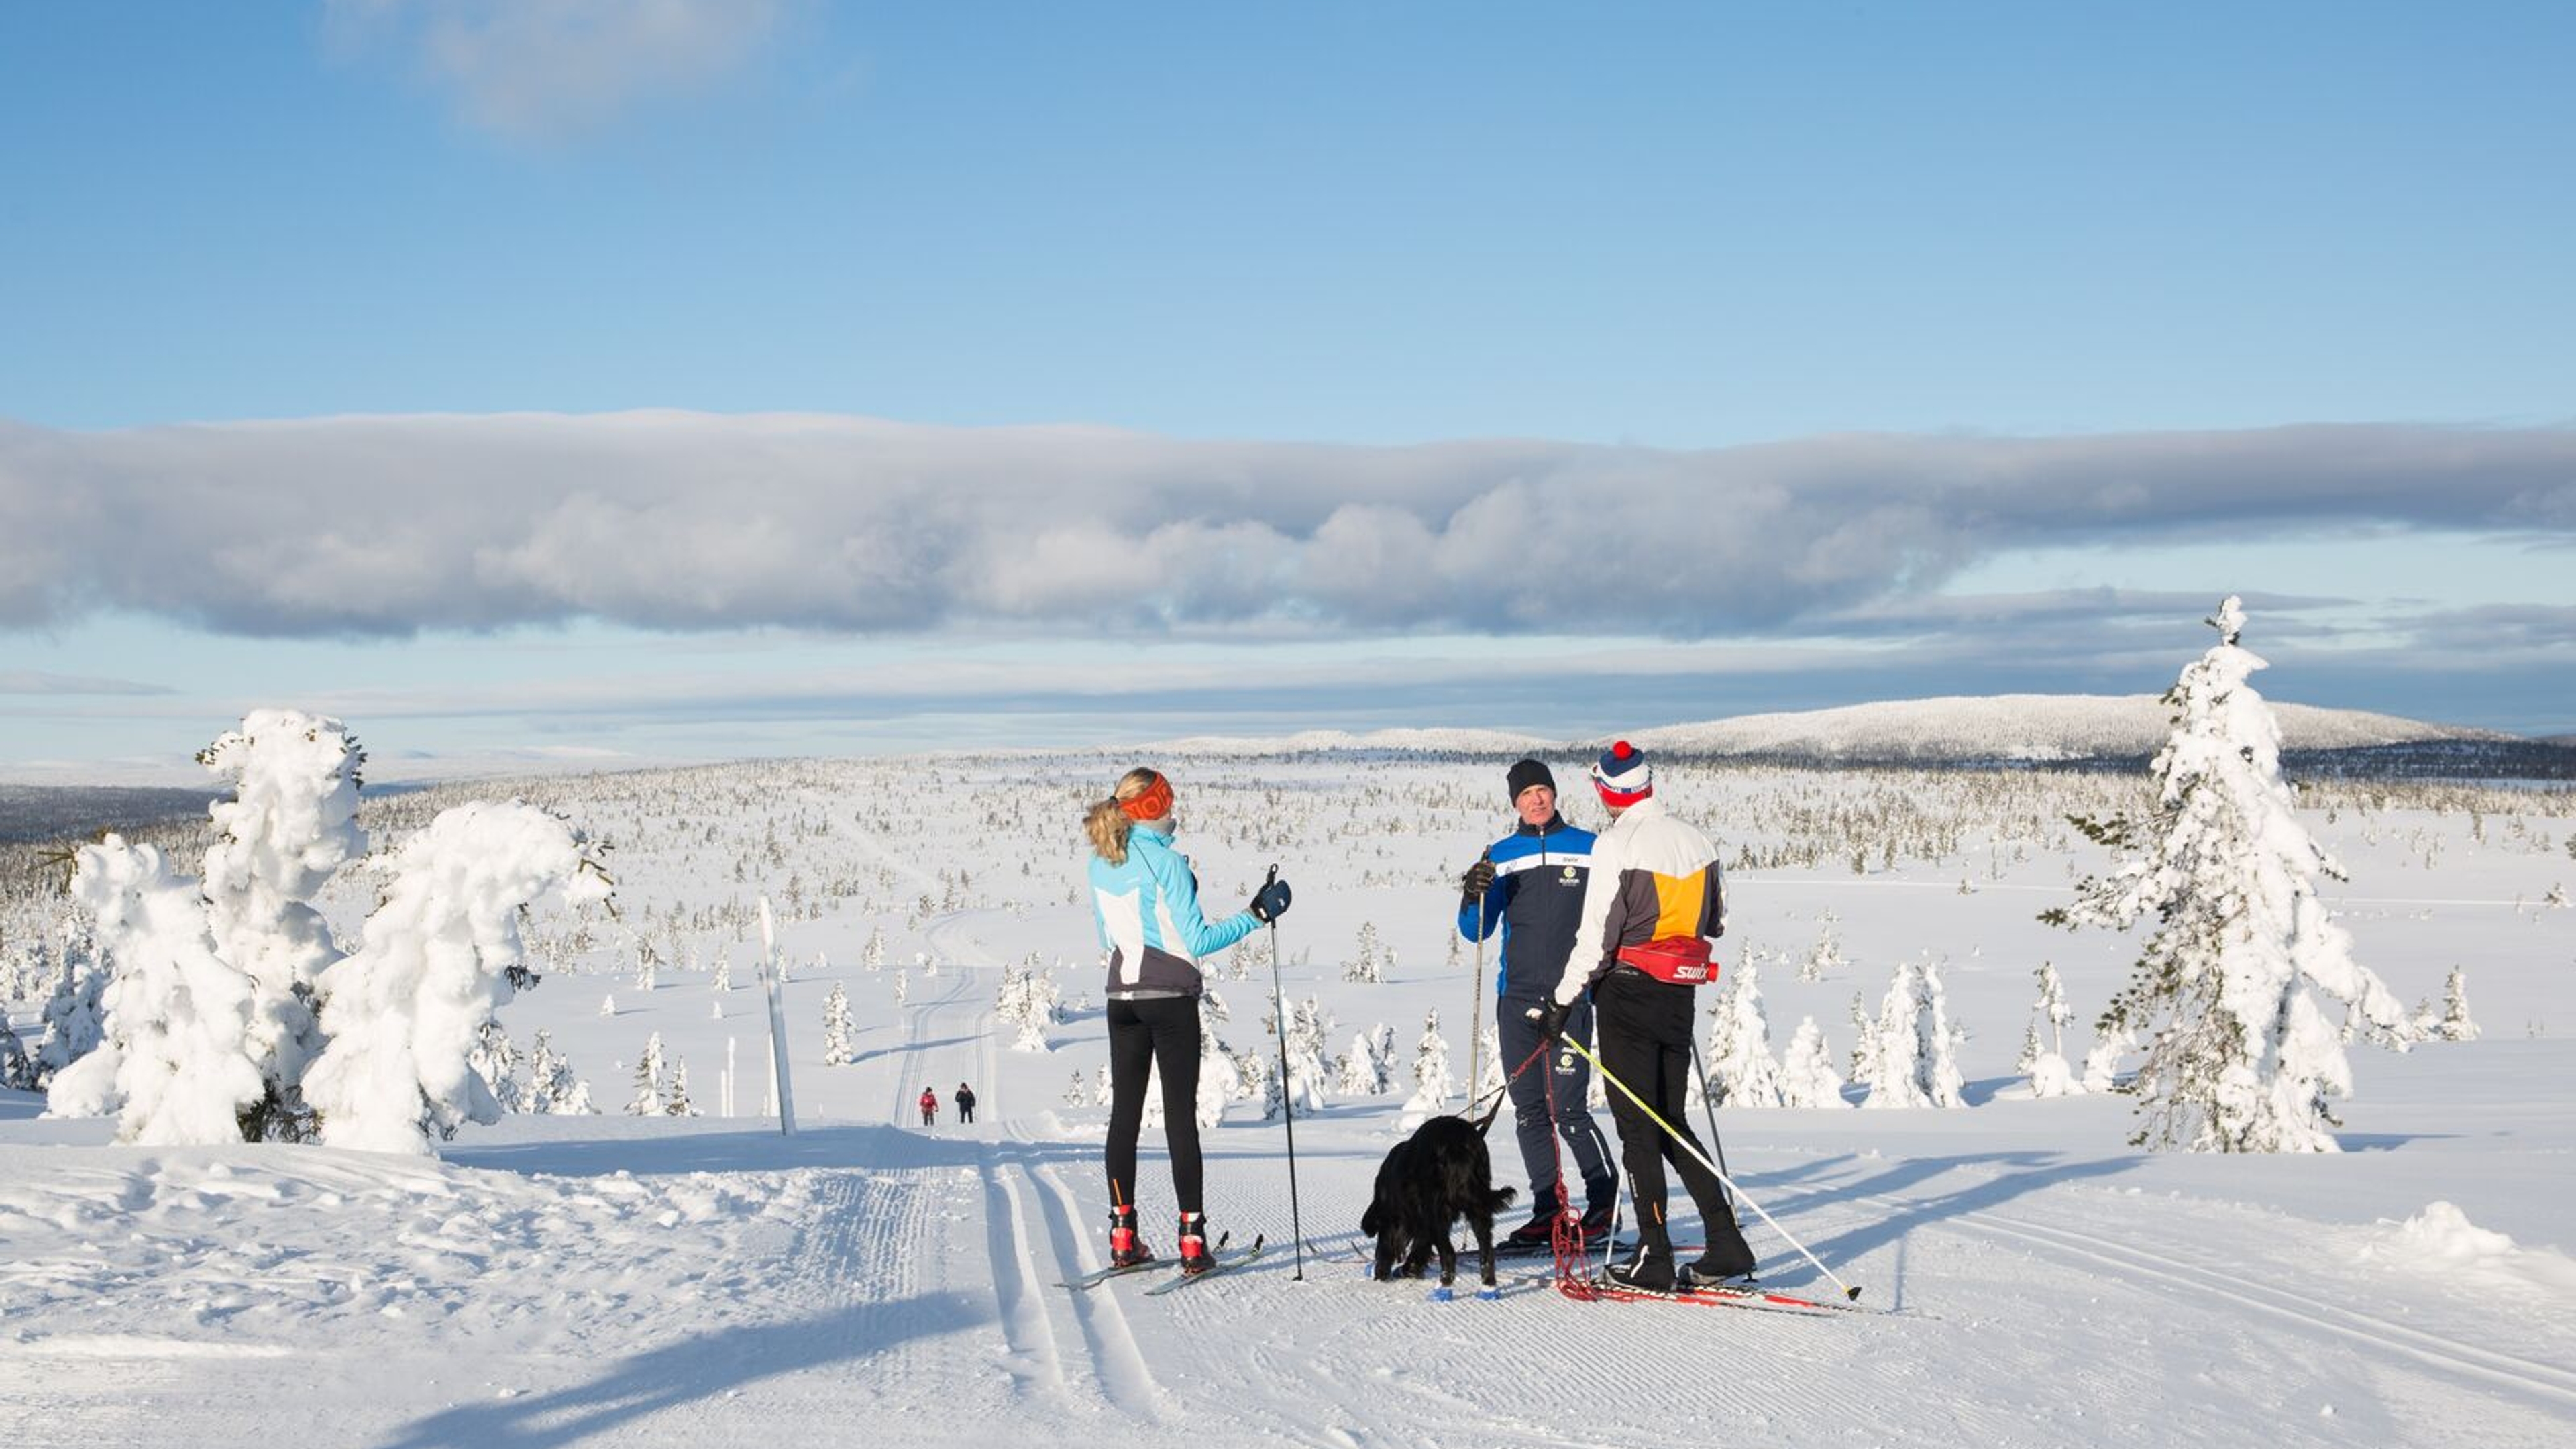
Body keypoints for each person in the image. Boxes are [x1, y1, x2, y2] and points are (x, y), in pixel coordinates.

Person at [1536, 741, 1757, 1291]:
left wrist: (1562, 1001)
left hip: (1627, 994)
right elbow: (1717, 920)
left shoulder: (1616, 844)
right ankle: (1725, 1243)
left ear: (1608, 790)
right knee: (1670, 1122)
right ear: (1648, 784)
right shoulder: (1697, 840)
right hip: (1678, 994)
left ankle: (1654, 1258)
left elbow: (1596, 941)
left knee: (1638, 1128)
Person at [1085, 767, 1293, 1273]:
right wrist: (1258, 915)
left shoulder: (1101, 861)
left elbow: (1105, 940)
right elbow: (1198, 942)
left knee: (1125, 1118)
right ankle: (1192, 1240)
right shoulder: (1168, 864)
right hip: (1170, 998)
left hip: (1122, 998)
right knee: (1180, 1117)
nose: (1175, 807)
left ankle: (1122, 1236)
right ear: (1152, 807)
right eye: (1169, 800)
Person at [1457, 758, 1619, 1249]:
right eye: (1526, 794)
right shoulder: (1501, 853)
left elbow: (1616, 911)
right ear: (1515, 803)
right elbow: (1476, 931)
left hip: (1571, 997)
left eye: (1542, 791)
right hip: (1517, 1000)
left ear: (1554, 793)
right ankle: (1548, 1210)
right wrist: (1471, 894)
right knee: (1528, 1110)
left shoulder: (1590, 847)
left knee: (1569, 1109)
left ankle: (1602, 1205)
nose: (1536, 800)